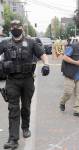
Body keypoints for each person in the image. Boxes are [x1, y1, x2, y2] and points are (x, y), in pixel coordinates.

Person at [0, 20, 50, 149]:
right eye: (12, 26)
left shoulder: (31, 42)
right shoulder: (5, 43)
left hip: (27, 80)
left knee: (26, 107)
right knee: (13, 109)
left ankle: (25, 127)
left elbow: (43, 54)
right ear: (10, 29)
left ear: (22, 28)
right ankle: (13, 139)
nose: (15, 28)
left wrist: (46, 64)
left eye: (17, 26)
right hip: (12, 81)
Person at [60, 33, 79, 118]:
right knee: (68, 92)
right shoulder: (72, 46)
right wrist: (76, 62)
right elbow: (65, 57)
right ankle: (62, 102)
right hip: (70, 74)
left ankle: (77, 111)